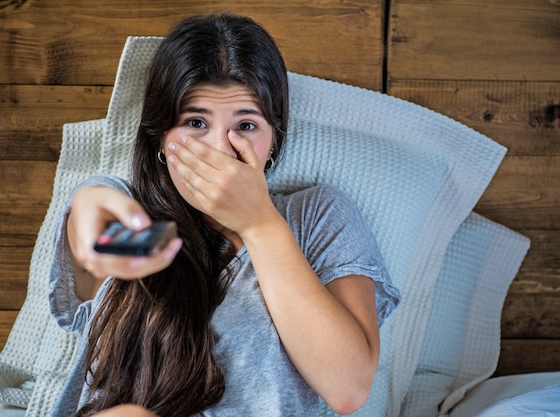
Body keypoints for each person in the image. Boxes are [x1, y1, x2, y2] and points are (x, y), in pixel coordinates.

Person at [49, 12, 400, 417]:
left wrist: (259, 223)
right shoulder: (136, 218)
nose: (220, 148)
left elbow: (348, 388)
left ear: (274, 141)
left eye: (246, 125)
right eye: (195, 122)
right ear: (161, 138)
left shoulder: (316, 217)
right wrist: (101, 232)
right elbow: (96, 225)